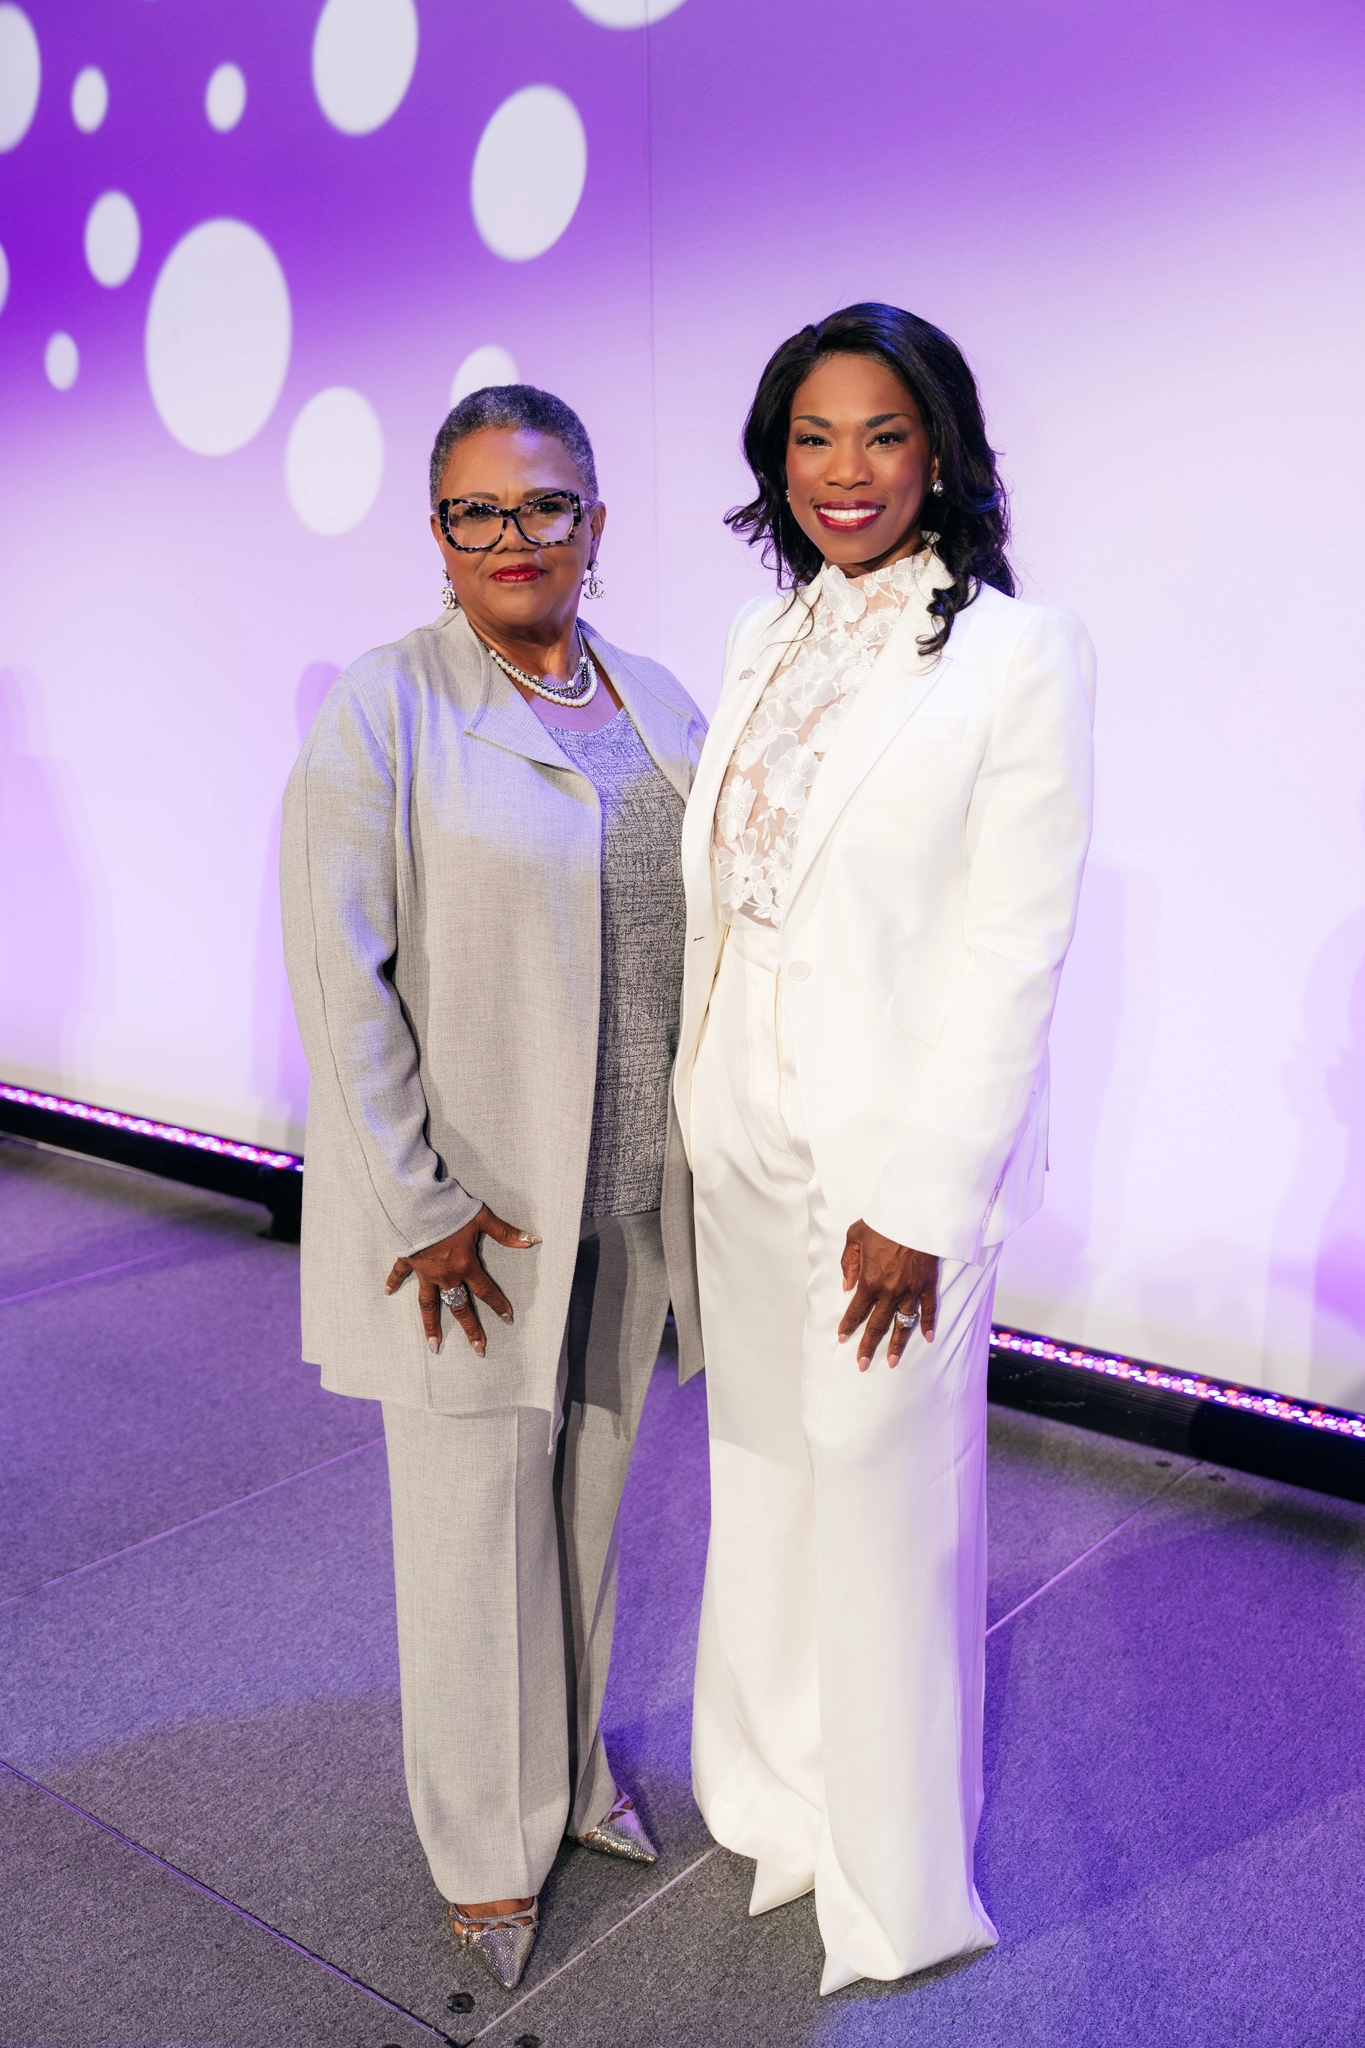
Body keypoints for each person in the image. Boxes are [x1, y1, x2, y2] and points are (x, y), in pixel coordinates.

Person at [675, 304, 1095, 1991]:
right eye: (813, 438)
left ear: (943, 451)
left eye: (884, 436)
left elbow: (1013, 947)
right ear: (779, 459)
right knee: (767, 1478)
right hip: (738, 1130)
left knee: (888, 1497)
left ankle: (898, 1885)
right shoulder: (759, 639)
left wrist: (920, 1198)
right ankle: (779, 1801)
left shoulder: (1018, 653)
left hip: (886, 1167)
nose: (846, 473)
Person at [280, 383, 705, 1991]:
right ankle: (483, 1848)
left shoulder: (654, 694)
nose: (515, 538)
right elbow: (340, 976)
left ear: (597, 521)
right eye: (479, 512)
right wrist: (418, 1201)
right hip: (471, 1220)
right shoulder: (386, 708)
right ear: (440, 539)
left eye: (546, 507)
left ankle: (569, 1775)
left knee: (587, 1509)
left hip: (628, 1198)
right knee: (470, 1539)